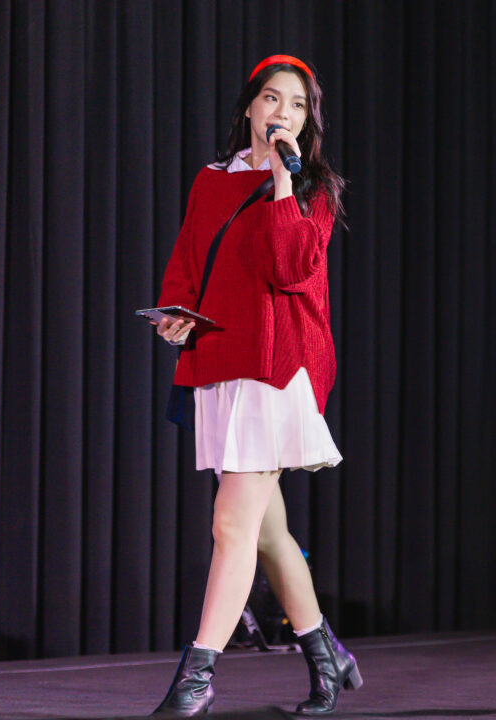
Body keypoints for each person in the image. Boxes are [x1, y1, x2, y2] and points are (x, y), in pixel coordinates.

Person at [150, 54, 360, 717]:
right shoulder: (211, 179)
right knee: (267, 533)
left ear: (308, 120)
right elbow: (188, 259)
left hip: (277, 369)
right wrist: (178, 315)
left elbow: (289, 265)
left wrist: (282, 180)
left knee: (231, 524)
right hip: (220, 360)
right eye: (272, 99)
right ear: (249, 106)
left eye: (296, 105)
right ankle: (327, 655)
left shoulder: (313, 188)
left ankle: (197, 678)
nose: (282, 113)